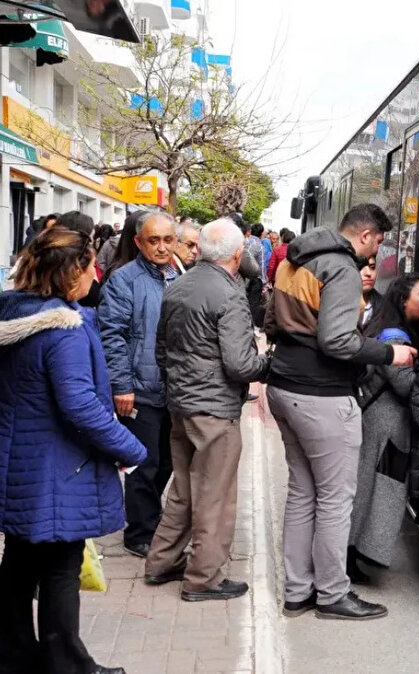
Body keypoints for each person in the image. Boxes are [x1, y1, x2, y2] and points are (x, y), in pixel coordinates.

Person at [0, 228, 147, 674]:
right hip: (58, 469)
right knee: (61, 569)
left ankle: (15, 658)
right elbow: (80, 406)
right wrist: (130, 446)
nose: (95, 273)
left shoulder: (14, 315)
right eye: (89, 266)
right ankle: (68, 665)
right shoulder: (64, 330)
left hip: (19, 462)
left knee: (19, 567)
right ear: (72, 274)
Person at [266, 203, 415, 621]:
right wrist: (391, 353)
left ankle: (297, 591)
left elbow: (271, 323)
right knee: (335, 498)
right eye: (379, 242)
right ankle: (332, 593)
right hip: (322, 395)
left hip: (284, 386)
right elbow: (338, 342)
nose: (375, 254)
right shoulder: (342, 268)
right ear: (365, 235)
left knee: (302, 493)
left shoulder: (294, 259)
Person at [143, 218, 271, 601]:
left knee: (183, 488)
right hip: (214, 408)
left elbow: (161, 348)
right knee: (215, 493)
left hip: (181, 402)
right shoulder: (229, 294)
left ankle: (161, 561)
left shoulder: (177, 285)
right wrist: (267, 363)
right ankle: (204, 578)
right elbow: (240, 365)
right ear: (237, 254)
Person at [98, 212, 179, 559]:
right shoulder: (123, 280)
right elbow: (111, 336)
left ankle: (150, 518)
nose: (161, 247)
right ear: (138, 242)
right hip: (139, 388)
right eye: (153, 240)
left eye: (167, 240)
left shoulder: (179, 276)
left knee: (168, 462)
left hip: (173, 388)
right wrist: (121, 386)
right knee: (144, 464)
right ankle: (139, 532)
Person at [347, 273, 419, 580]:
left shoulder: (394, 329)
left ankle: (356, 554)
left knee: (376, 490)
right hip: (382, 426)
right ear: (403, 300)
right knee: (371, 491)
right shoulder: (395, 337)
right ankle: (350, 556)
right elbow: (404, 384)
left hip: (385, 426)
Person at [242, 222, 266, 328]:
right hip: (255, 279)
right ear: (261, 234)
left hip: (242, 277)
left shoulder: (244, 241)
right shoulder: (260, 247)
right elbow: (262, 266)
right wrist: (264, 282)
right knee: (253, 304)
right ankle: (250, 326)